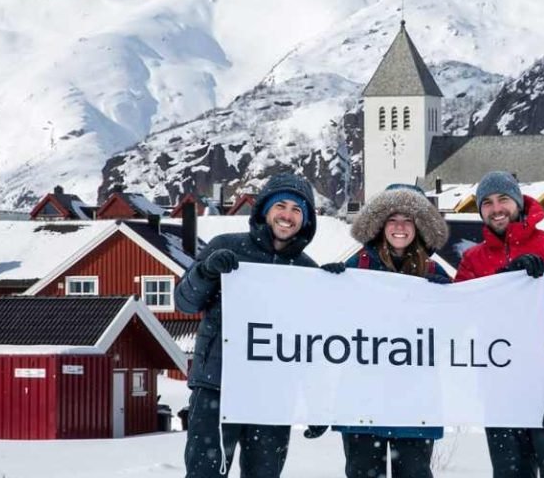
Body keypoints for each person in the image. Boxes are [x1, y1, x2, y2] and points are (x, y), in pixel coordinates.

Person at [174, 173, 320, 478]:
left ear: (305, 220)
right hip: (217, 385)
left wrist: (317, 402)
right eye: (281, 205)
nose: (287, 215)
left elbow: (312, 344)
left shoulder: (308, 271)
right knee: (205, 473)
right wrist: (207, 271)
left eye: (297, 210)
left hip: (273, 395)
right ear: (265, 210)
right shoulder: (226, 246)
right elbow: (185, 303)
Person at [454, 171, 544, 478]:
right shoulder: (473, 262)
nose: (496, 209)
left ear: (518, 202)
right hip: (502, 395)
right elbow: (460, 318)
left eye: (503, 199)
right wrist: (505, 280)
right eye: (487, 203)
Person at [310, 183, 450, 478]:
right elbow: (330, 326)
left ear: (420, 225)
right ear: (380, 224)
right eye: (392, 219)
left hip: (416, 400)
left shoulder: (434, 273)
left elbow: (457, 334)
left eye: (408, 219)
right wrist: (331, 286)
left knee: (414, 473)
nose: (400, 227)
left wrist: (450, 299)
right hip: (362, 398)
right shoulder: (356, 267)